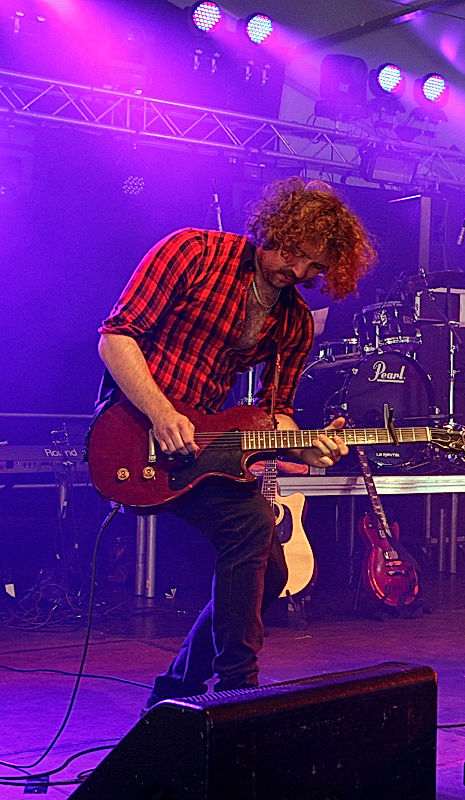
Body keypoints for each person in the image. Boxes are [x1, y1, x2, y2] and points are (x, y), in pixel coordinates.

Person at [95, 177, 376, 708]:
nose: (298, 271)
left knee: (272, 572)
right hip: (132, 429)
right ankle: (236, 688)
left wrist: (307, 448)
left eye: (314, 266)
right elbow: (116, 337)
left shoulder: (295, 321)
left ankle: (176, 693)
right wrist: (161, 413)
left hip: (202, 445)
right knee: (251, 525)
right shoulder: (193, 252)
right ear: (274, 229)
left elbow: (276, 414)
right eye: (293, 252)